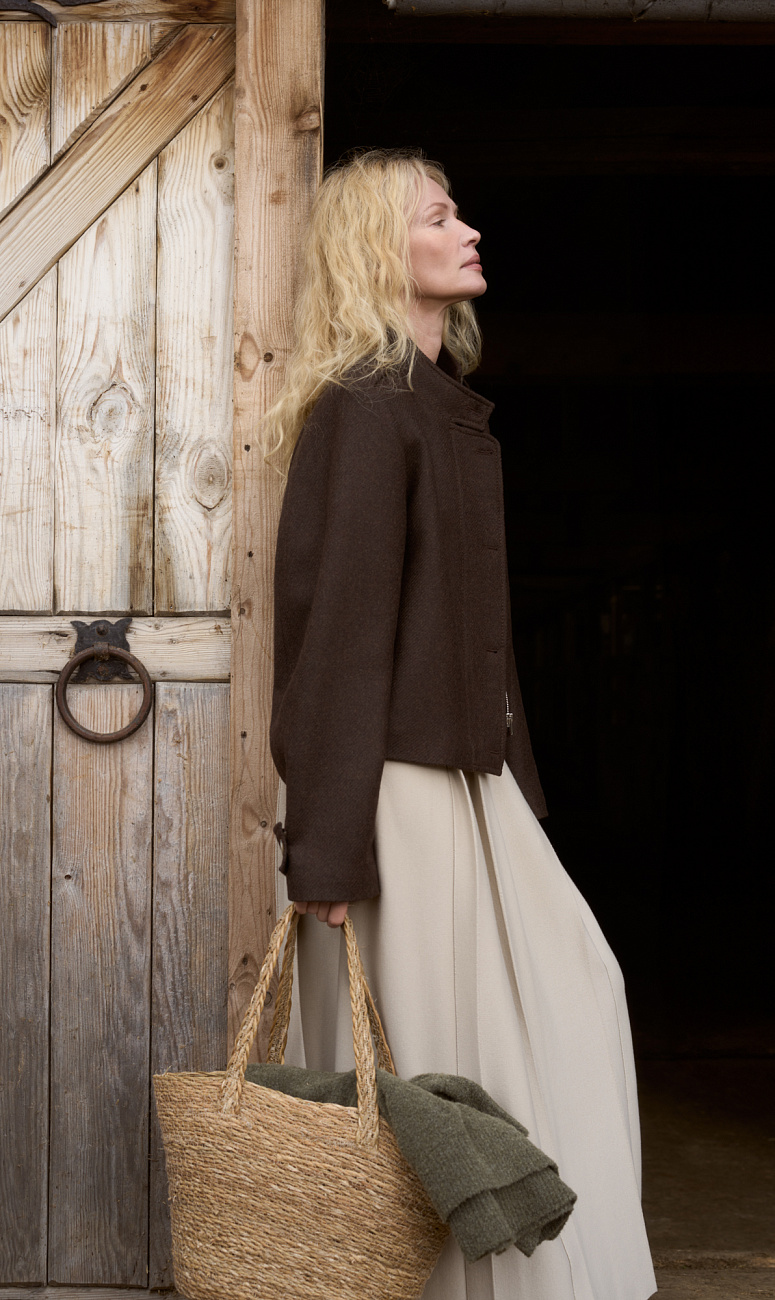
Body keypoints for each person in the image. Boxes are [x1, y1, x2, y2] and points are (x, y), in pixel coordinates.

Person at [263, 148, 657, 1300]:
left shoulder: (437, 408)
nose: (467, 230)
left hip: (469, 780)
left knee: (573, 993)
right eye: (438, 217)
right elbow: (339, 640)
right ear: (377, 251)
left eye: (457, 213)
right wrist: (326, 850)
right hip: (395, 792)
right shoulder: (366, 409)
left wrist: (510, 788)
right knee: (433, 1046)